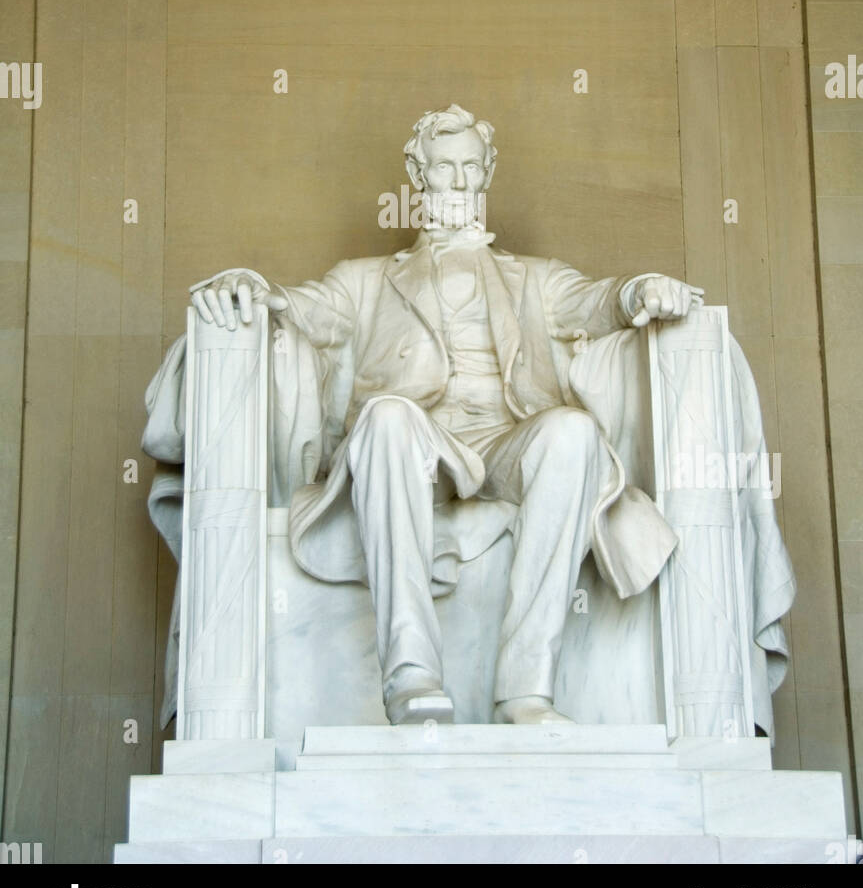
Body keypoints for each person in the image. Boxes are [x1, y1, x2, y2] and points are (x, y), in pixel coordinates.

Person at [187, 104, 698, 725]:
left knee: (573, 430)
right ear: (415, 173)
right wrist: (248, 284)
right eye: (442, 169)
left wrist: (639, 289)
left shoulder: (533, 279)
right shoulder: (367, 280)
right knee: (387, 417)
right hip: (413, 445)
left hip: (505, 443)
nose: (457, 184)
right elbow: (301, 309)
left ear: (488, 174)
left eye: (469, 169)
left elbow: (596, 303)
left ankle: (526, 691)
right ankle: (412, 677)